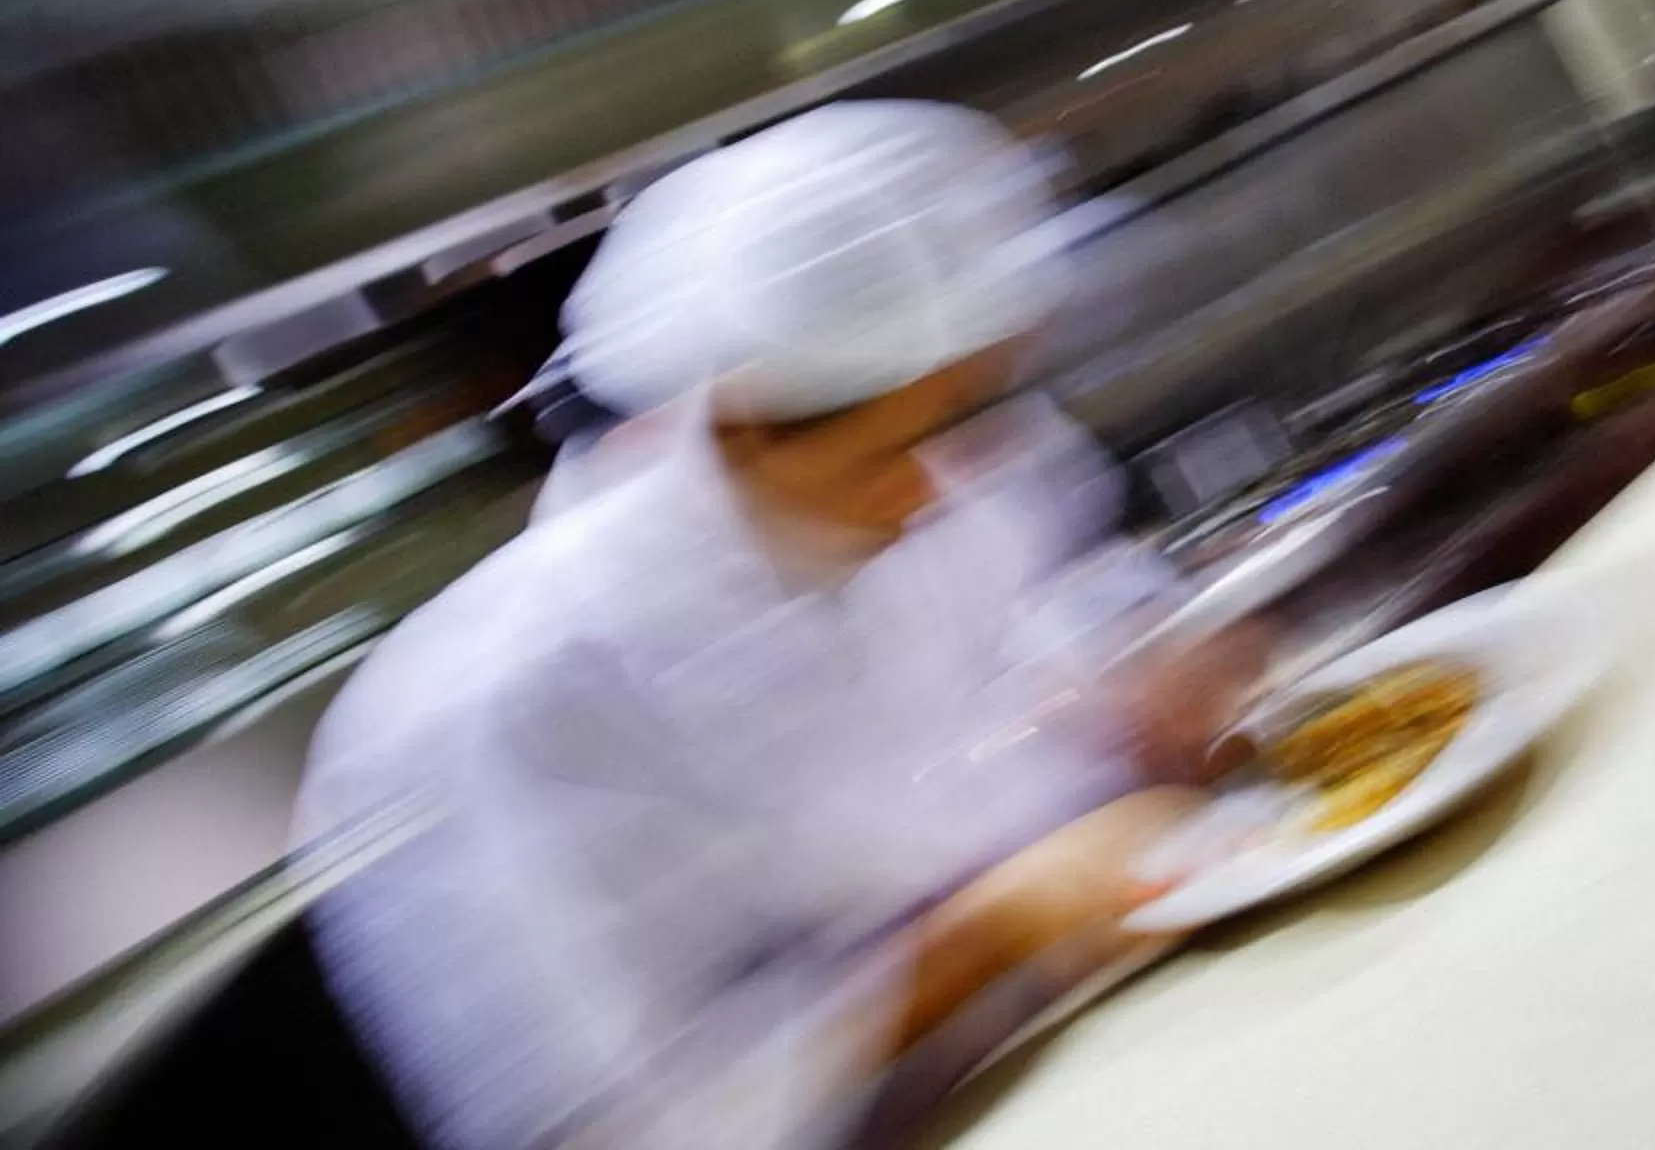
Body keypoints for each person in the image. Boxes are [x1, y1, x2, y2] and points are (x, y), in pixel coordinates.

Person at [298, 102, 1253, 1150]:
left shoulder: (950, 448)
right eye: (915, 442)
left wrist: (1146, 683)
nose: (957, 483)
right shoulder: (495, 712)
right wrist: (989, 926)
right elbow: (619, 1128)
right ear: (735, 421)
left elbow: (1054, 618)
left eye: (984, 403)